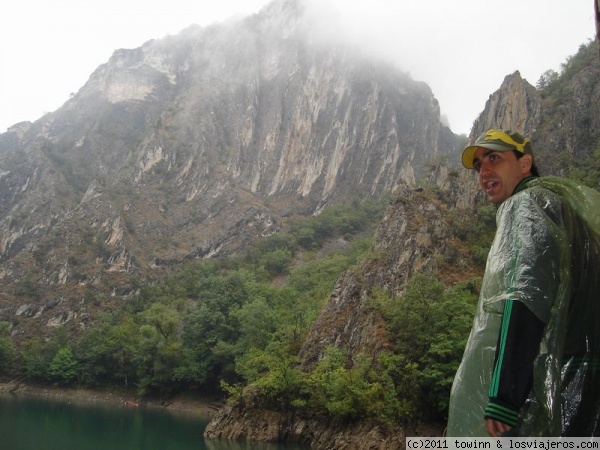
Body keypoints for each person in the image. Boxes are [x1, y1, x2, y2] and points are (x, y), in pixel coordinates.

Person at [446, 129, 600, 437]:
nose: (484, 172)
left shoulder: (526, 205)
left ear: (524, 163)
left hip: (547, 386)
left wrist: (505, 395)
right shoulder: (566, 209)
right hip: (585, 385)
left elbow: (524, 296)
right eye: (478, 166)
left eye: (494, 158)